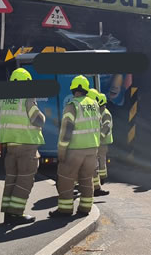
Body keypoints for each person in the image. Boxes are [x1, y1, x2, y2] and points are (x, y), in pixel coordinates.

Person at [0, 67, 46, 225]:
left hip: (10, 145)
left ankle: (7, 213)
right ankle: (17, 213)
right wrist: (43, 116)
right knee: (24, 180)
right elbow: (36, 119)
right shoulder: (27, 96)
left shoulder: (3, 98)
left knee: (11, 179)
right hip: (26, 144)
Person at [49, 75, 101, 217]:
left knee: (66, 179)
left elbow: (66, 131)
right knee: (86, 179)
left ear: (73, 89)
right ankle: (85, 208)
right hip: (92, 148)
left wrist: (61, 151)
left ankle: (65, 210)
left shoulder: (72, 106)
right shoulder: (94, 104)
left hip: (75, 149)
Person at [88, 90, 113, 196]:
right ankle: (97, 183)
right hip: (97, 141)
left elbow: (106, 126)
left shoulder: (105, 113)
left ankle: (101, 179)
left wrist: (100, 138)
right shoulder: (99, 111)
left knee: (100, 160)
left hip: (102, 141)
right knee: (96, 162)